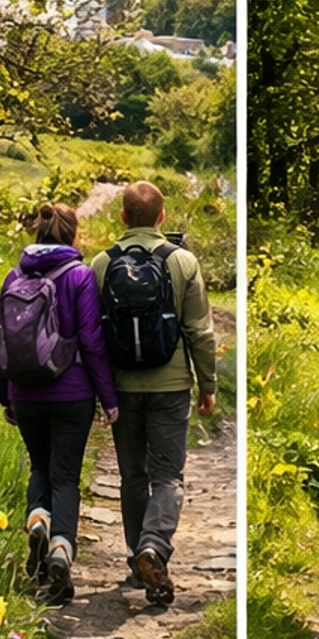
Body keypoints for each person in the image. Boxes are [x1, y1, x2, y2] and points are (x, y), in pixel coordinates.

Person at [91, 181, 217, 610]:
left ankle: (136, 558)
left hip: (121, 387)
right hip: (171, 384)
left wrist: (97, 387)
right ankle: (154, 548)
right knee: (168, 476)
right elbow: (200, 330)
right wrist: (208, 385)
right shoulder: (182, 261)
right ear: (162, 217)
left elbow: (93, 336)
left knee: (132, 476)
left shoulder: (101, 264)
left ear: (123, 217)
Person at [0, 201, 120, 606]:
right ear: (72, 234)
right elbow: (92, 341)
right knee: (65, 476)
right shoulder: (79, 275)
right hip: (72, 393)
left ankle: (37, 520)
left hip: (25, 393)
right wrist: (109, 397)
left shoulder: (15, 275)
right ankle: (61, 551)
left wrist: (6, 396)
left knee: (40, 468)